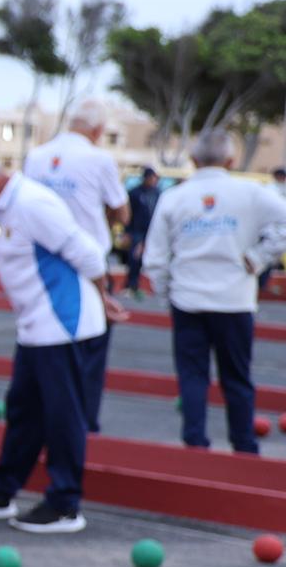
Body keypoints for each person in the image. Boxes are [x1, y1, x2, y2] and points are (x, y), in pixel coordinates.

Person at [0, 149, 124, 533]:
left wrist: (101, 298)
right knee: (23, 412)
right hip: (37, 329)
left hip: (64, 327)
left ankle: (65, 503)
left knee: (63, 416)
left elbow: (88, 253)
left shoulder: (33, 203)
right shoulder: (9, 208)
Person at [142, 129, 286, 454]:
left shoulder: (174, 197)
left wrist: (168, 297)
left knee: (193, 378)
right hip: (234, 301)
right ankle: (244, 449)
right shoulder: (249, 192)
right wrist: (259, 258)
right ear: (231, 160)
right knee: (237, 379)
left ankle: (195, 446)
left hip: (187, 301)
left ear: (193, 160)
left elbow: (154, 259)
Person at [23, 101, 128, 432]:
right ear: (97, 131)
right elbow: (121, 212)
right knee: (90, 349)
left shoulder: (36, 156)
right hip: (88, 264)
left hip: (42, 264)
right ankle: (82, 425)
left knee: (42, 345)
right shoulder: (99, 159)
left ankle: (41, 422)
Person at [120, 167, 160, 295]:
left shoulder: (157, 193)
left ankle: (154, 286)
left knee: (153, 258)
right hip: (137, 231)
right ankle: (132, 284)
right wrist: (127, 231)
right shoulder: (135, 193)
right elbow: (128, 214)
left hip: (152, 231)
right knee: (135, 258)